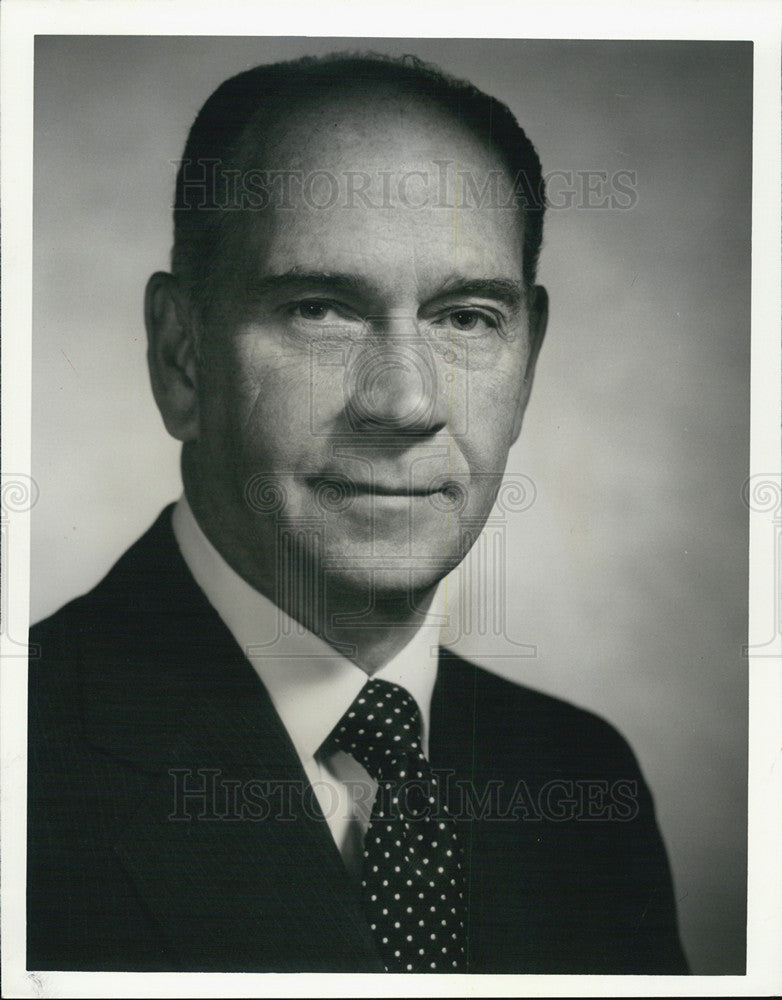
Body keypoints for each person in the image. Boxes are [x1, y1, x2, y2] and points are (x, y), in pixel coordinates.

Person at [27, 52, 689, 974]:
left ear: (527, 362)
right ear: (182, 357)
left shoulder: (577, 775)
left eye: (465, 318)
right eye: (319, 309)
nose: (405, 403)